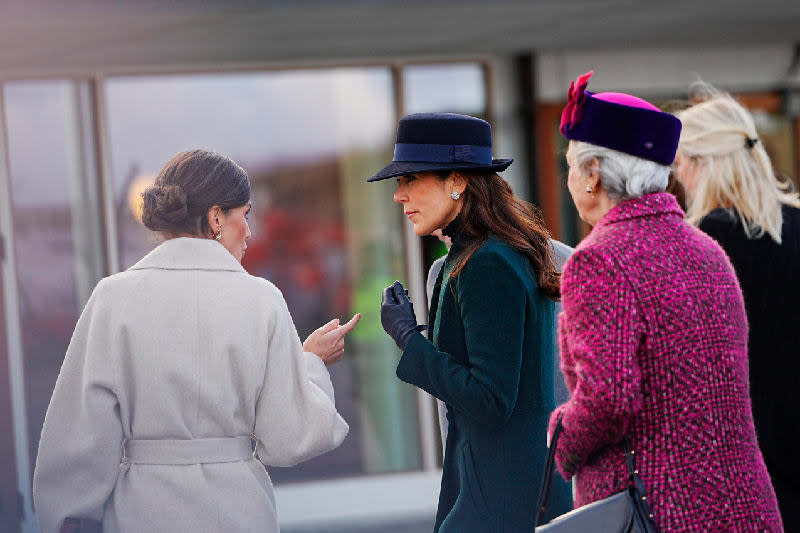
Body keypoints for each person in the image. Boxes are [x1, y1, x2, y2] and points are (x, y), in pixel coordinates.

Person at [33, 149, 359, 533]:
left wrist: (69, 516)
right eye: (246, 214)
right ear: (216, 217)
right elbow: (289, 436)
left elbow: (80, 431)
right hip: (240, 511)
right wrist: (310, 361)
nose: (251, 232)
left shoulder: (112, 297)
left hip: (142, 512)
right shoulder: (261, 299)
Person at [548, 71, 782, 532]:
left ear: (593, 174)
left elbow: (608, 399)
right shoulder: (708, 250)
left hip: (656, 510)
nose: (571, 177)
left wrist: (559, 437)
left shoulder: (599, 261)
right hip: (744, 505)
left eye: (572, 165)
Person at [369, 112, 572, 532]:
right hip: (503, 484)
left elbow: (490, 399)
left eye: (410, 179)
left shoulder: (487, 262)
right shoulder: (475, 257)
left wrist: (409, 338)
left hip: (503, 494)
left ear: (457, 181)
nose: (399, 196)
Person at [675, 86, 800, 529]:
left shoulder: (713, 237)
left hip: (753, 445)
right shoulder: (795, 222)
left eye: (681, 165)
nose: (680, 179)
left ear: (703, 164)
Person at [426, 234, 574, 451]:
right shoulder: (442, 273)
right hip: (534, 457)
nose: (404, 203)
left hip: (545, 457)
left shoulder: (565, 260)